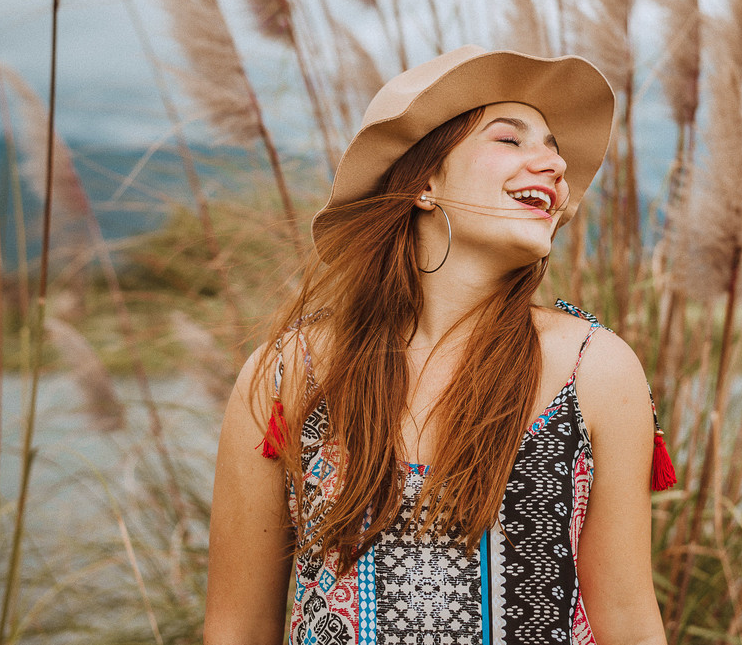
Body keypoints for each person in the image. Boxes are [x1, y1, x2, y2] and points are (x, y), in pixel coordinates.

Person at [204, 45, 673, 645]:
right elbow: (237, 627)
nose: (554, 166)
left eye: (555, 149)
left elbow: (629, 624)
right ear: (425, 181)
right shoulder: (290, 371)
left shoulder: (594, 368)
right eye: (511, 140)